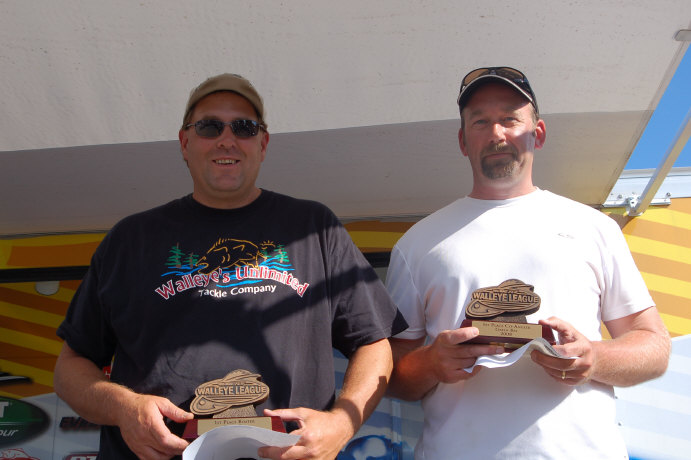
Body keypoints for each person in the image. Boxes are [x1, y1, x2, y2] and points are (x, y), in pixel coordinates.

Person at [54, 73, 407, 460]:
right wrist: (124, 408)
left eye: (244, 127)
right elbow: (71, 367)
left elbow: (374, 343)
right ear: (185, 142)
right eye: (209, 127)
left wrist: (342, 423)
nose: (227, 139)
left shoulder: (315, 228)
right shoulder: (130, 238)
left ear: (263, 143)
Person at [385, 66, 671, 459]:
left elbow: (654, 346)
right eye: (480, 121)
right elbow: (388, 374)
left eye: (509, 119)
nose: (496, 134)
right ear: (463, 141)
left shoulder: (595, 228)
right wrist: (433, 363)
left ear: (538, 133)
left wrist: (593, 357)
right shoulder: (417, 244)